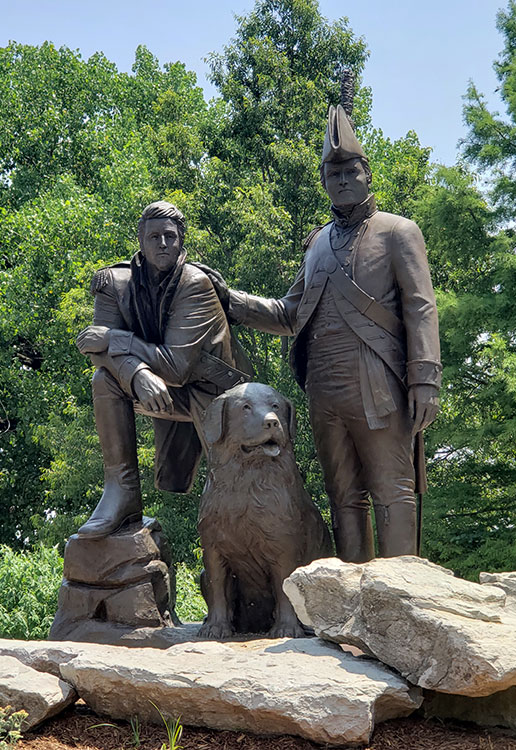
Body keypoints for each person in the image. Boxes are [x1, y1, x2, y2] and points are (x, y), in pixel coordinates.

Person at [226, 105, 441, 562]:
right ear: (324, 181)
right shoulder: (317, 243)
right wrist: (231, 301)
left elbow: (420, 306)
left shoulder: (398, 232)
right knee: (343, 496)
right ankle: (350, 603)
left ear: (367, 174)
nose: (341, 179)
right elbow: (289, 313)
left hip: (377, 383)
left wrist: (424, 378)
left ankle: (405, 599)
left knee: (393, 490)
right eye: (332, 172)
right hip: (323, 388)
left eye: (350, 170)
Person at [75, 201, 250, 539]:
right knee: (104, 379)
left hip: (217, 395)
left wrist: (116, 338)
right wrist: (138, 374)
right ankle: (121, 492)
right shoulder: (114, 282)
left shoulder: (194, 283)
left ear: (182, 240)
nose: (163, 244)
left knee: (237, 500)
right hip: (163, 387)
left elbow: (176, 366)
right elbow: (99, 354)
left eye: (170, 237)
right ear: (140, 240)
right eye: (154, 236)